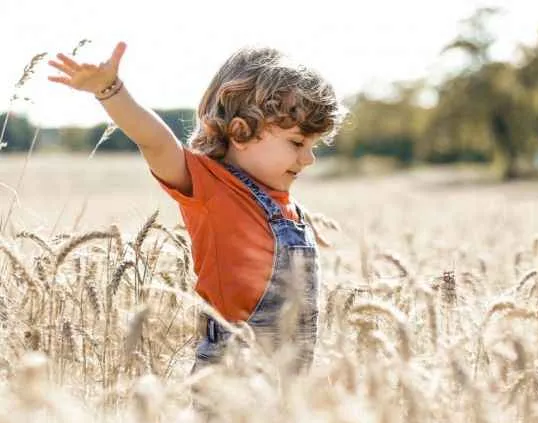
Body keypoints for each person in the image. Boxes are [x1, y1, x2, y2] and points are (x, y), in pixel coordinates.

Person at [47, 42, 346, 373]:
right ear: (240, 132)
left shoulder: (286, 207)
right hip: (230, 371)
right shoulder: (211, 187)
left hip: (286, 378)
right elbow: (156, 142)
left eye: (313, 145)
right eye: (297, 143)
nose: (309, 158)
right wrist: (110, 90)